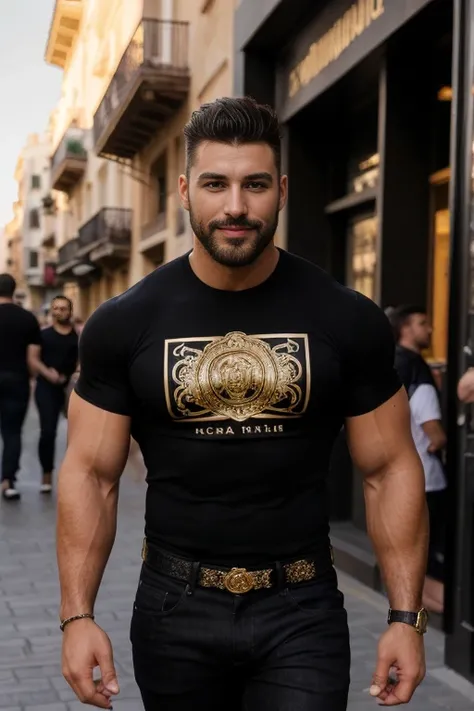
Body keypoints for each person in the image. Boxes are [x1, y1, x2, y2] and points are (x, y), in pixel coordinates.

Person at [58, 97, 428, 711]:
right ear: (183, 190)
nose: (236, 206)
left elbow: (390, 468)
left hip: (302, 607)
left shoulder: (345, 317)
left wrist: (406, 617)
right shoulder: (123, 323)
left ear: (280, 189)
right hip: (173, 605)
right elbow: (91, 475)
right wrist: (77, 618)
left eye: (255, 184)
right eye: (215, 184)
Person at [387, 305, 447, 614]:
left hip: (398, 475)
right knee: (430, 551)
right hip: (427, 477)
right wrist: (443, 440)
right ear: (406, 329)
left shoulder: (391, 364)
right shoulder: (417, 369)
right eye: (423, 323)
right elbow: (432, 430)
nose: (430, 329)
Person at [0, 274, 62, 500]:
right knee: (12, 432)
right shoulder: (27, 319)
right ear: (14, 290)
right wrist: (49, 375)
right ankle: (8, 481)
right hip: (17, 381)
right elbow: (32, 359)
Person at [35, 296, 78, 494]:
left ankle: (74, 475)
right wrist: (47, 373)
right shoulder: (43, 336)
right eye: (56, 308)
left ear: (70, 311)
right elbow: (33, 359)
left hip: (71, 388)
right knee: (48, 432)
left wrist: (73, 377)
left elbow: (83, 361)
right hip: (47, 388)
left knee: (78, 435)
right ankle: (46, 476)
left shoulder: (78, 337)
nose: (60, 312)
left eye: (64, 308)